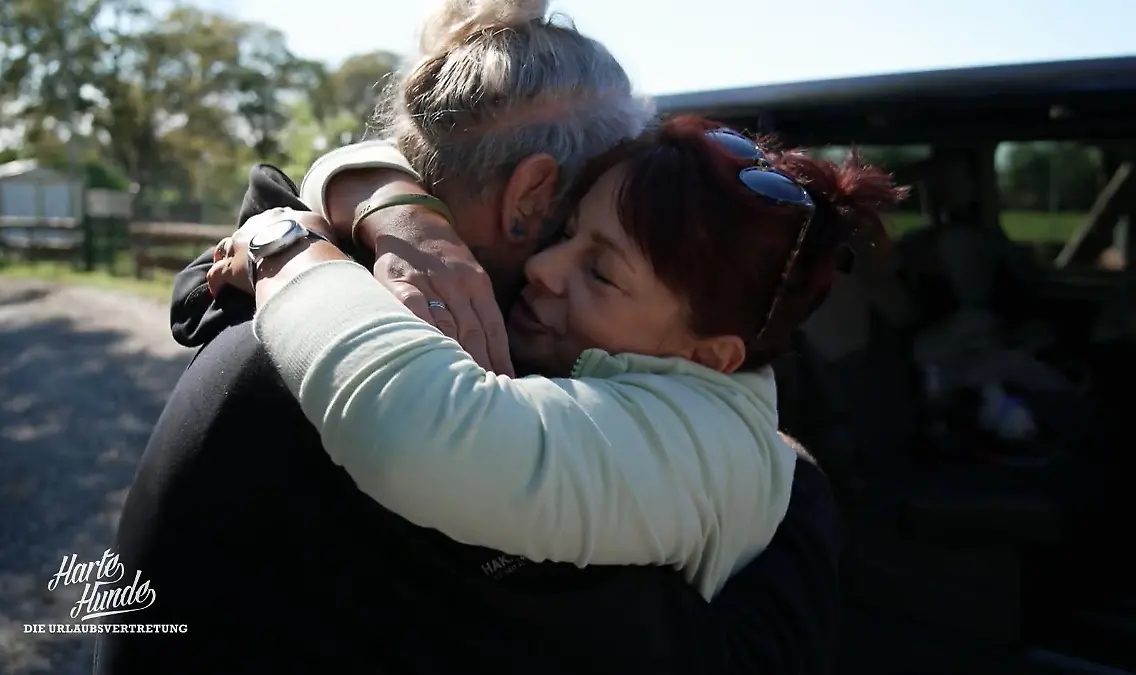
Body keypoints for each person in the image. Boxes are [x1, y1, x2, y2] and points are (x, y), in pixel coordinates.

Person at [97, 1, 841, 673]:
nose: (555, 267)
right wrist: (797, 488)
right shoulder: (424, 391)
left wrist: (329, 211)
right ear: (533, 198)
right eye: (586, 220)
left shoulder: (289, 301)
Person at [211, 114, 904, 600]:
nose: (543, 265)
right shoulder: (671, 375)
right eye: (569, 231)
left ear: (711, 353)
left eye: (601, 272)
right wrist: (395, 207)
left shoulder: (709, 444)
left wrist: (288, 248)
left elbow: (416, 430)